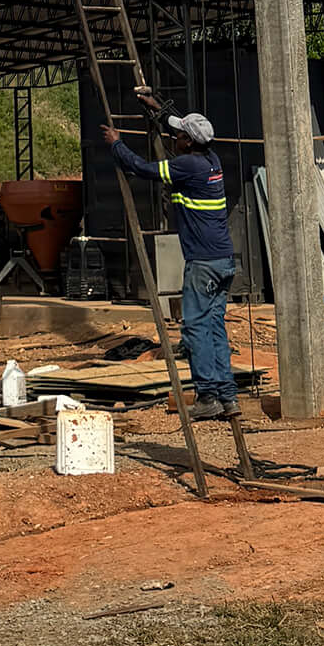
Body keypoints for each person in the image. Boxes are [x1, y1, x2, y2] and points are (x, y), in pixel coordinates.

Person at [102, 90, 238, 419]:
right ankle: (227, 397)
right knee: (215, 326)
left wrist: (117, 144)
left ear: (188, 143)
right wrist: (158, 109)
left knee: (194, 329)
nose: (174, 138)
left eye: (178, 136)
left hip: (203, 263)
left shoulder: (187, 165)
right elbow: (178, 127)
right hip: (223, 260)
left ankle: (206, 397)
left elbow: (141, 169)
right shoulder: (210, 159)